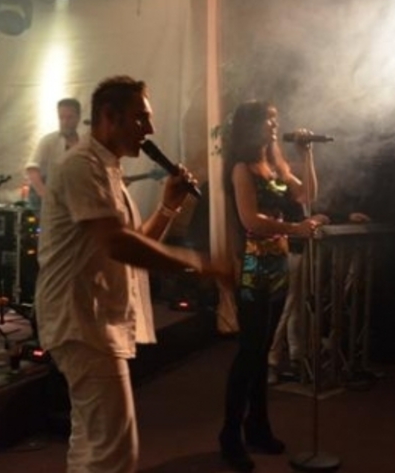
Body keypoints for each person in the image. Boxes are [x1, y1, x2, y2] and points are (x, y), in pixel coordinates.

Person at [35, 76, 229, 473]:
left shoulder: (108, 169)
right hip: (80, 321)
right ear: (109, 116)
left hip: (91, 319)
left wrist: (169, 206)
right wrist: (199, 264)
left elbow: (133, 243)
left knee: (92, 444)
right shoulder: (82, 166)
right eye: (141, 118)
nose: (150, 129)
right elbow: (118, 244)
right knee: (114, 453)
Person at [219, 100, 323, 472]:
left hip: (277, 266)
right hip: (253, 269)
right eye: (269, 120)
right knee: (250, 352)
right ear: (251, 125)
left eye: (276, 119)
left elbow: (306, 195)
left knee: (261, 352)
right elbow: (250, 220)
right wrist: (295, 229)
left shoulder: (276, 165)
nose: (275, 125)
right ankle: (230, 434)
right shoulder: (242, 168)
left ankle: (257, 426)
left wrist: (306, 154)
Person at [24, 97, 81, 211]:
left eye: (69, 117)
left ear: (78, 118)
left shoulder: (84, 142)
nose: (65, 122)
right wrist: (45, 195)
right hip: (47, 195)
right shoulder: (49, 140)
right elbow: (32, 170)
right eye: (61, 117)